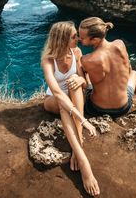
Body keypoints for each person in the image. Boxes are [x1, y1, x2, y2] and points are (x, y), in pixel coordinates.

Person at [41, 21, 100, 196]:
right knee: (63, 102)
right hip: (53, 100)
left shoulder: (76, 52)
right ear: (63, 39)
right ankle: (84, 162)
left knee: (74, 84)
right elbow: (58, 94)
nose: (79, 39)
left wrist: (81, 80)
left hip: (74, 97)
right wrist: (83, 120)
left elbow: (84, 83)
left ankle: (77, 147)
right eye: (74, 36)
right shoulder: (48, 60)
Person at [79, 17, 136, 118]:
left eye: (82, 37)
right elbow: (128, 68)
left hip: (95, 109)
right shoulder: (120, 44)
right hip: (123, 108)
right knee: (134, 74)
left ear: (95, 39)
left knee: (86, 74)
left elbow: (85, 74)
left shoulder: (86, 60)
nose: (79, 39)